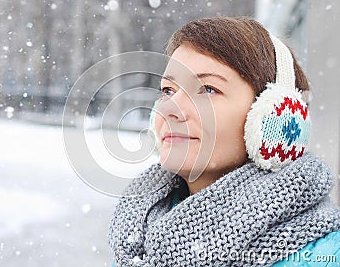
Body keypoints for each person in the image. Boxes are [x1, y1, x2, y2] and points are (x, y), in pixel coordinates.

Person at [108, 16, 340, 266]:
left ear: (276, 117)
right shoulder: (138, 235)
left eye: (208, 89)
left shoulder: (325, 256)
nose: (170, 108)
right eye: (168, 91)